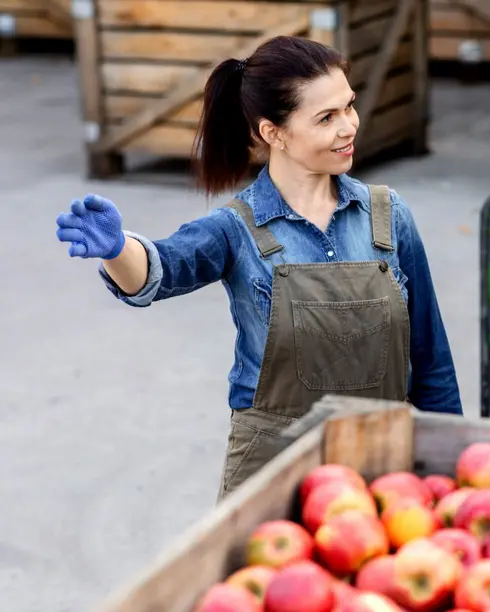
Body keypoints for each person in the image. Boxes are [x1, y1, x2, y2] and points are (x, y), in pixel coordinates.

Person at [54, 36, 463, 499]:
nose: (349, 126)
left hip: (384, 460)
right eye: (326, 118)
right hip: (274, 467)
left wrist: (452, 465)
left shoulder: (388, 217)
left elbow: (432, 361)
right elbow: (162, 269)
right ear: (274, 133)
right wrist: (116, 249)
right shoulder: (236, 228)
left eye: (348, 107)